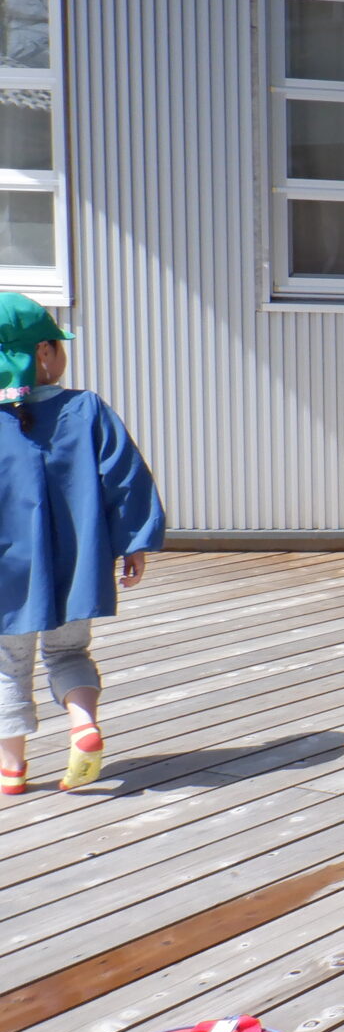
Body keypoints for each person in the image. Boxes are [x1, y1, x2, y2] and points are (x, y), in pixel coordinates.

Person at [0, 294, 165, 793]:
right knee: (69, 652)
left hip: (9, 576)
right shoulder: (86, 408)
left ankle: (12, 769)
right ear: (43, 353)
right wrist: (134, 542)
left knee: (7, 666)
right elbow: (124, 478)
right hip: (78, 566)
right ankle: (83, 724)